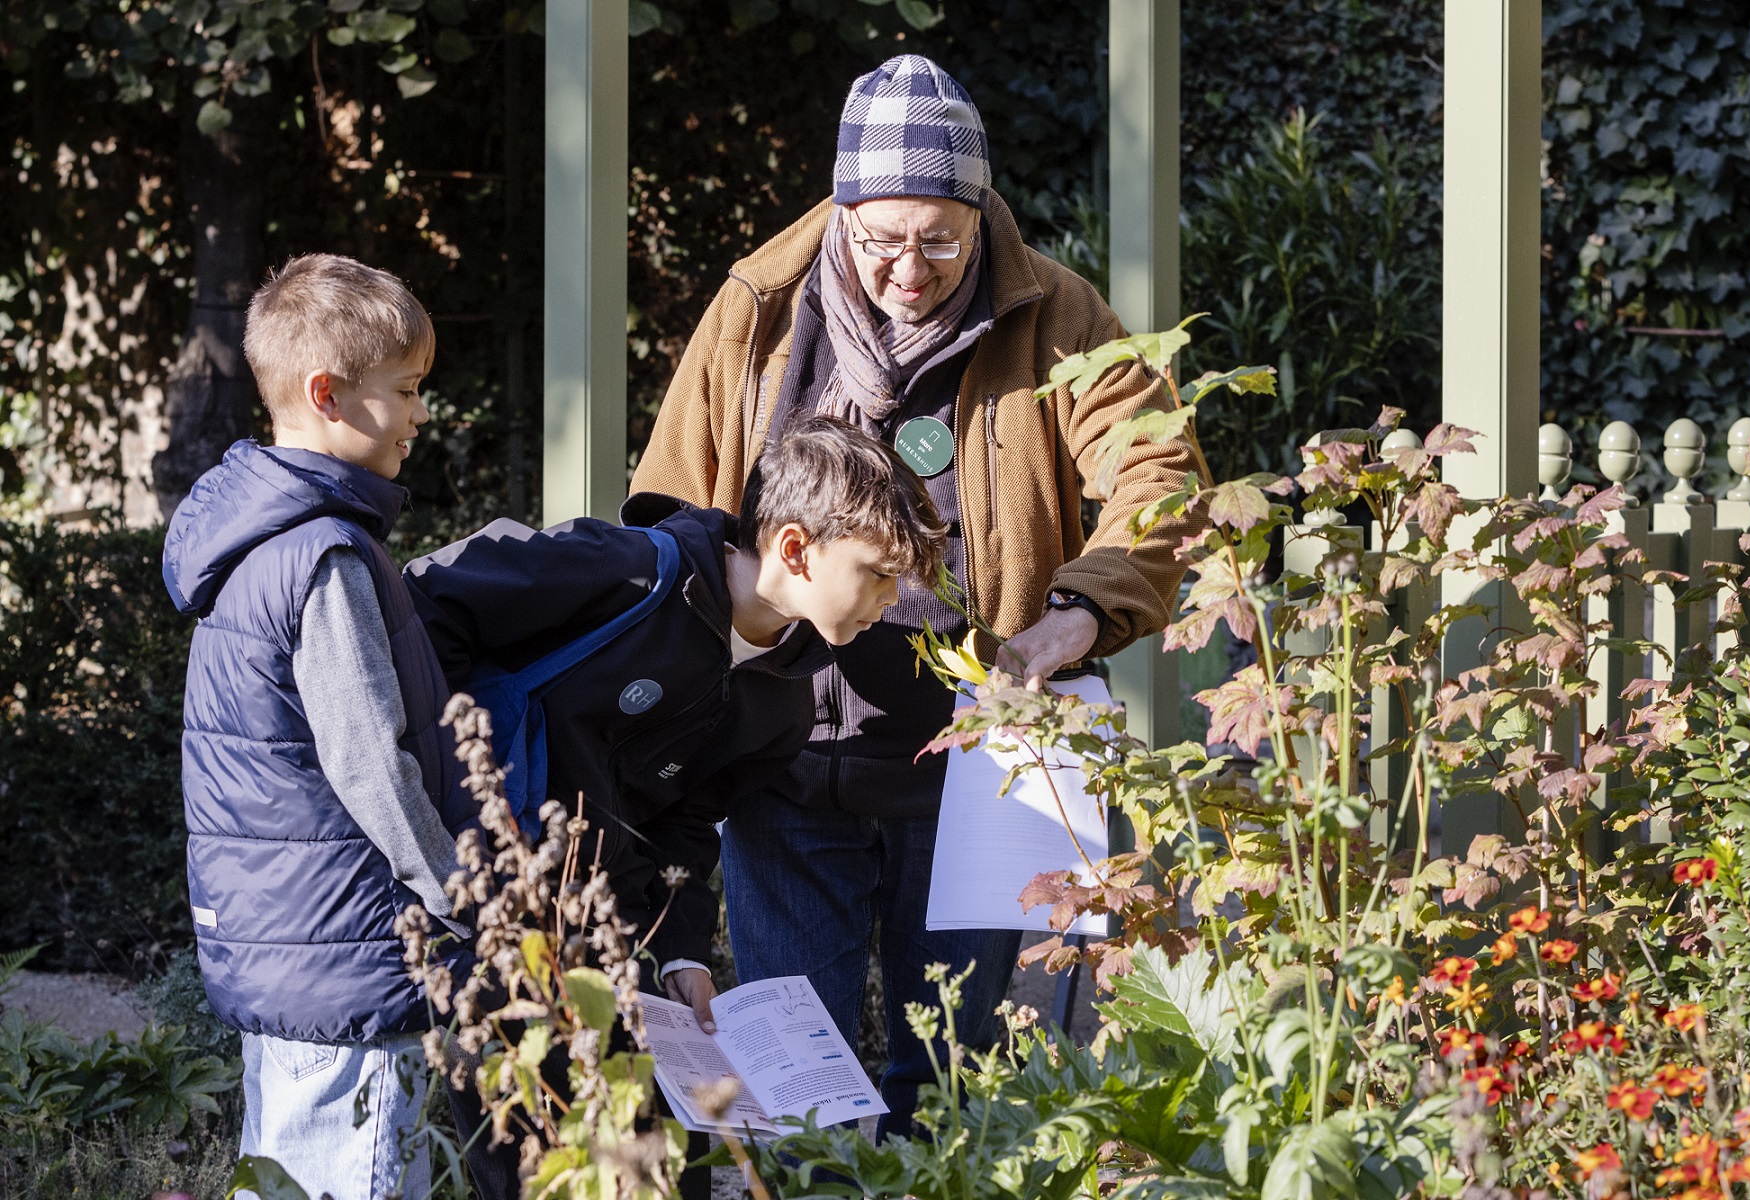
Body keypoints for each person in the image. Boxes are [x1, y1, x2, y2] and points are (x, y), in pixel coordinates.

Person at [631, 54, 1209, 1136]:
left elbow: (1162, 476)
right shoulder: (758, 311)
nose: (909, 269)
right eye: (882, 240)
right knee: (794, 1082)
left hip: (970, 766)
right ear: (843, 211)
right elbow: (669, 504)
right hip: (780, 759)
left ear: (982, 214)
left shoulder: (1057, 313)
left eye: (941, 242)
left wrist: (1079, 612)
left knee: (947, 1076)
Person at [402, 415, 946, 1198]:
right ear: (795, 548)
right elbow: (424, 605)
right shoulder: (622, 570)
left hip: (621, 948)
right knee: (537, 1173)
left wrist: (686, 954)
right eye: (878, 573)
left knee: (669, 1176)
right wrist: (450, 792)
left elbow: (691, 823)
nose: (892, 601)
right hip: (496, 922)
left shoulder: (787, 702)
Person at [162, 254, 477, 1200]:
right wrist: (460, 898)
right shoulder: (324, 557)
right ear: (328, 394)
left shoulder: (254, 545)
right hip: (351, 954)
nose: (422, 414)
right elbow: (369, 763)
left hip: (290, 948)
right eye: (408, 389)